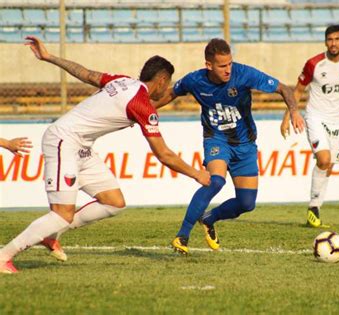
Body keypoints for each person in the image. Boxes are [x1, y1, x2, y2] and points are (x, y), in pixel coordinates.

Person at [0, 36, 210, 274]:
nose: (166, 89)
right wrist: (196, 174)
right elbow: (163, 154)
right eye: (167, 83)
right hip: (63, 140)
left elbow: (85, 73)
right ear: (162, 80)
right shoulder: (141, 103)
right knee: (62, 214)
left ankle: (51, 235)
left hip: (81, 146)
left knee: (113, 202)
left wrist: (49, 57)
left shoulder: (123, 82)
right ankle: (3, 257)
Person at [154, 38, 305, 254]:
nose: (228, 70)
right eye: (222, 66)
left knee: (246, 204)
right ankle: (182, 236)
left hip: (245, 144)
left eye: (230, 64)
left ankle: (209, 218)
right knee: (215, 181)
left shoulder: (244, 74)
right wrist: (145, 109)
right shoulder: (194, 80)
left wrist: (294, 111)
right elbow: (170, 94)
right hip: (216, 139)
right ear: (209, 65)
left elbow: (284, 89)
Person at [280, 25, 339, 227]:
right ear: (325, 42)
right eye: (330, 39)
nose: (333, 43)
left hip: (337, 120)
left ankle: (316, 208)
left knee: (329, 165)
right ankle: (314, 208)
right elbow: (297, 91)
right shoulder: (314, 64)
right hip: (315, 117)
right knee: (324, 158)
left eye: (337, 39)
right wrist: (287, 116)